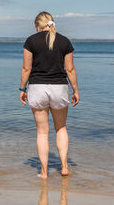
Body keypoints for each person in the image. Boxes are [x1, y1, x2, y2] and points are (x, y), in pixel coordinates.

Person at [19, 11, 80, 179]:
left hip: (37, 88)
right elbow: (70, 69)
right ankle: (65, 167)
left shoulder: (31, 41)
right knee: (61, 128)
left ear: (38, 26)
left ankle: (44, 172)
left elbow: (26, 68)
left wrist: (22, 89)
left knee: (42, 132)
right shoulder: (64, 41)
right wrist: (75, 90)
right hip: (59, 87)